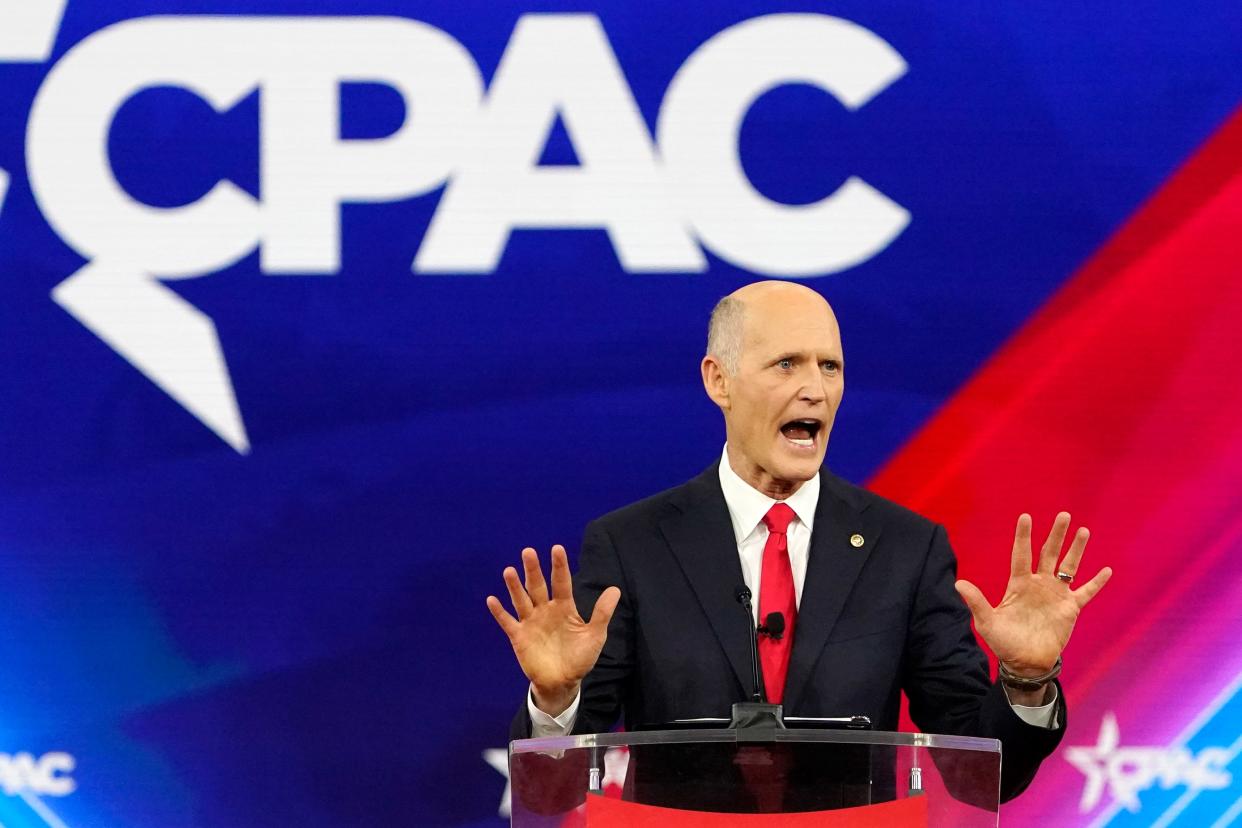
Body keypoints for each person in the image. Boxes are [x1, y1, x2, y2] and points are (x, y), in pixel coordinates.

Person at [487, 280, 1112, 802]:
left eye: (830, 366)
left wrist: (1026, 681)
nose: (815, 388)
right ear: (718, 381)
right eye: (787, 363)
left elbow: (982, 778)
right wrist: (556, 698)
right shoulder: (634, 545)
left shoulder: (905, 549)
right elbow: (553, 790)